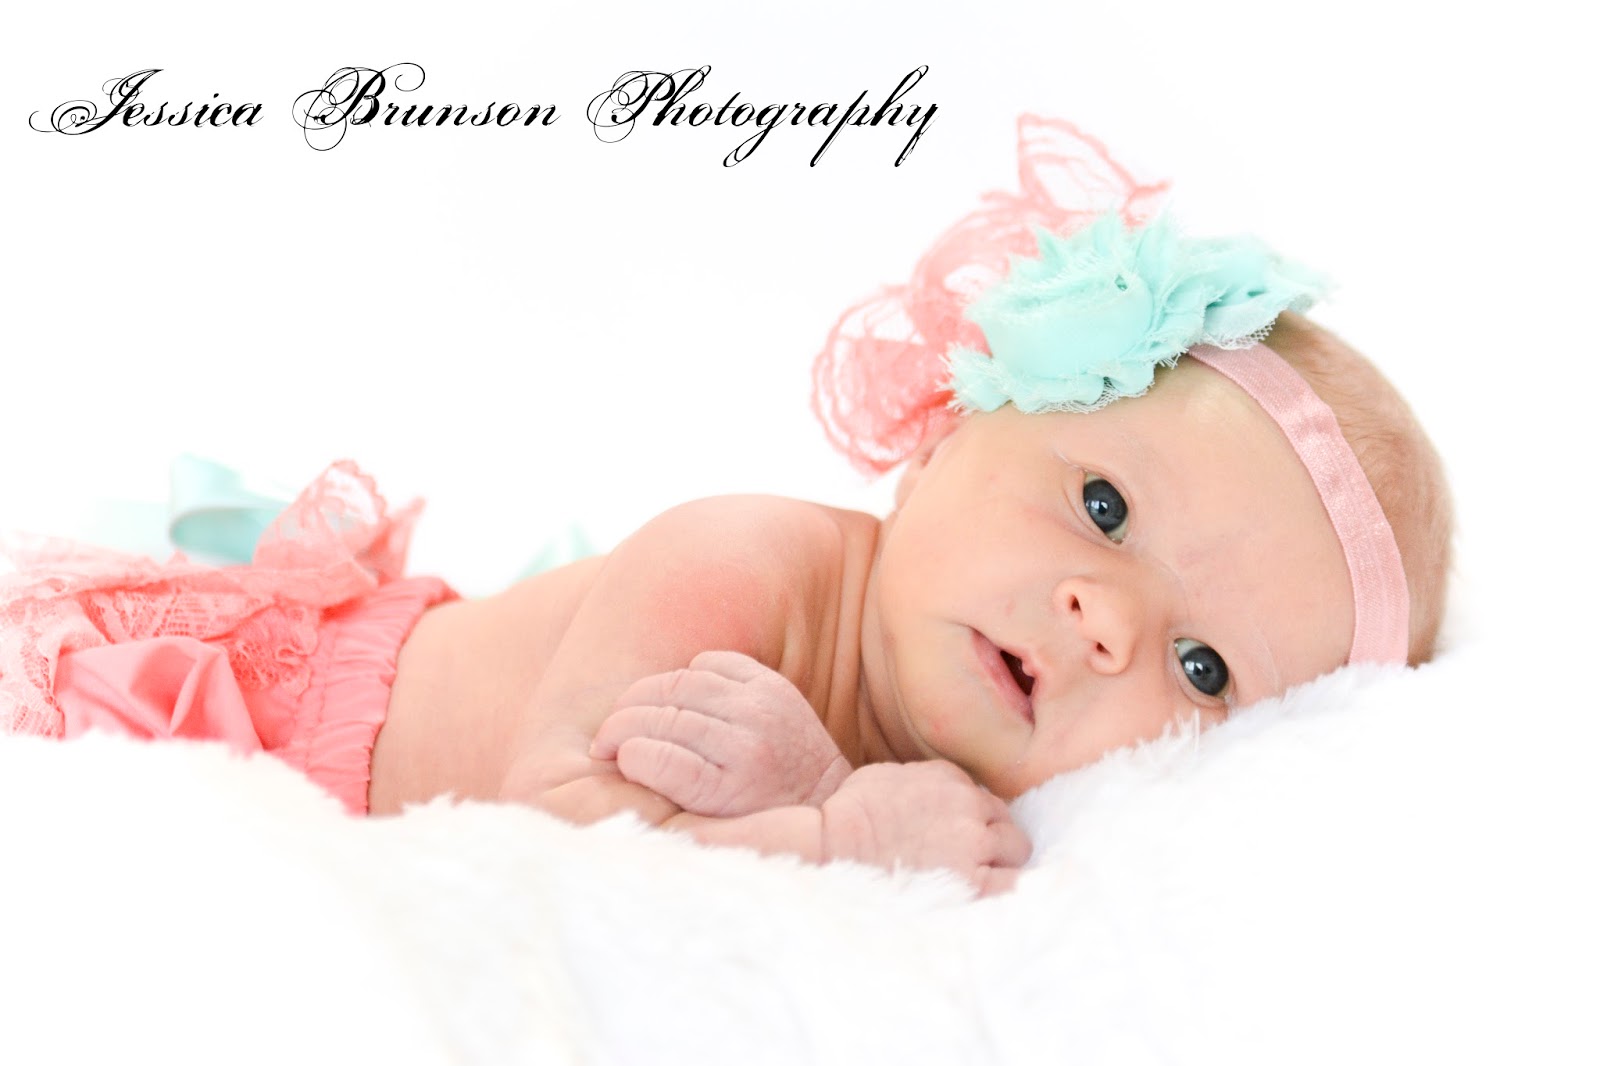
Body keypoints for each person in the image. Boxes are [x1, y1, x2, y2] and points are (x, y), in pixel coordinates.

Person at [0, 118, 1450, 897]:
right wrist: (834, 837)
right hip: (276, 731)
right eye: (1105, 506)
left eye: (1202, 666)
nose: (1107, 623)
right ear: (955, 425)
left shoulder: (1004, 810)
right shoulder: (742, 563)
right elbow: (556, 840)